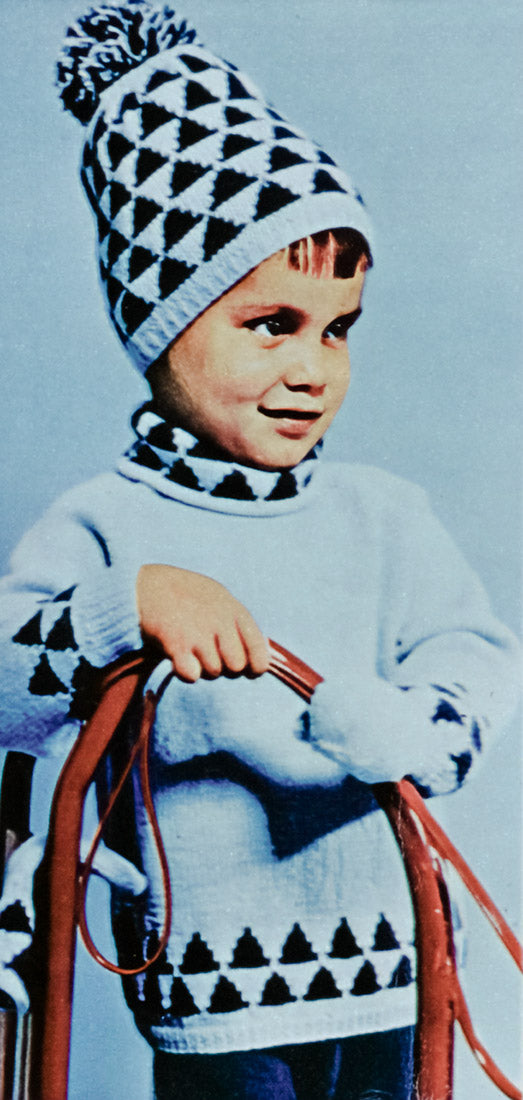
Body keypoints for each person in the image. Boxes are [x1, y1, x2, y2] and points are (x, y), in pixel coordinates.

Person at [0, 3, 519, 1097]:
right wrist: (126, 602)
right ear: (161, 324)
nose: (312, 367)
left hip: (393, 960)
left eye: (337, 328)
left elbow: (476, 655)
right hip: (216, 981)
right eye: (269, 324)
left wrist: (413, 721)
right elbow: (5, 685)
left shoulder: (382, 515)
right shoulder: (108, 523)